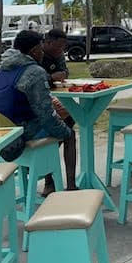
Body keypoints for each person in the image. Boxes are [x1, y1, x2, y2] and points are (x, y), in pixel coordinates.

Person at [0, 29, 72, 158]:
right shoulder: (34, 71)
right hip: (20, 133)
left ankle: (40, 167)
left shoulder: (3, 69)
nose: (42, 53)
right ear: (34, 51)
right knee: (68, 131)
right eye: (41, 49)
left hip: (1, 131)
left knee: (58, 117)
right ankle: (47, 170)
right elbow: (46, 114)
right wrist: (65, 132)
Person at [40, 28, 77, 196]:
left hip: (49, 98)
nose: (61, 50)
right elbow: (34, 77)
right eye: (58, 46)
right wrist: (50, 77)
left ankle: (69, 184)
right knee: (66, 130)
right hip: (37, 106)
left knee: (70, 121)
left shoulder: (59, 54)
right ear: (47, 42)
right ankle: (51, 181)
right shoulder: (35, 55)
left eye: (63, 46)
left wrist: (62, 74)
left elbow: (64, 71)